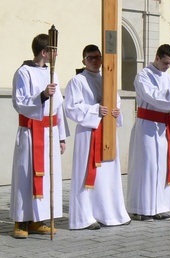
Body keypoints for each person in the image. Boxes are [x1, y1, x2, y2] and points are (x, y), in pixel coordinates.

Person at [64, 44, 131, 230]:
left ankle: (110, 213)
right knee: (86, 173)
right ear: (83, 60)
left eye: (98, 57)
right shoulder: (77, 81)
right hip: (88, 133)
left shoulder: (107, 78)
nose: (95, 61)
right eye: (90, 58)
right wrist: (94, 110)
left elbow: (115, 102)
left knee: (108, 174)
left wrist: (116, 113)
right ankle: (84, 218)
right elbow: (71, 107)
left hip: (107, 132)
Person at [10, 33, 69, 239]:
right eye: (54, 51)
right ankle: (20, 220)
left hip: (49, 132)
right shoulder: (23, 73)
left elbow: (58, 107)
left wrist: (61, 136)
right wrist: (42, 95)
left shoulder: (53, 73)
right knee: (26, 174)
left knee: (47, 178)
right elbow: (20, 102)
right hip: (30, 132)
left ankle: (37, 219)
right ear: (45, 52)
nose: (57, 54)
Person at [126, 44, 170, 221]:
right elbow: (153, 97)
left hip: (163, 128)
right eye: (165, 63)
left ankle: (159, 206)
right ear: (157, 58)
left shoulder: (169, 78)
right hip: (147, 126)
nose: (167, 66)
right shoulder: (143, 76)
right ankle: (141, 208)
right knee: (147, 166)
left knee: (162, 166)